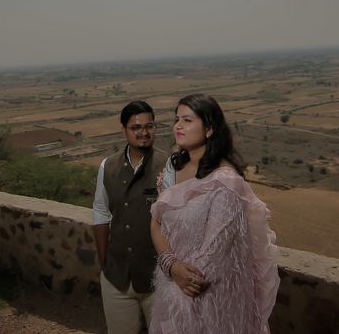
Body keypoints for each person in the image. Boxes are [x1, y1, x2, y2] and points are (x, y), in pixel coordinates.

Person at [149, 94, 279, 334]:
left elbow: (214, 252)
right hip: (170, 281)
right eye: (177, 119)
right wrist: (171, 265)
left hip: (208, 296)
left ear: (209, 129)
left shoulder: (226, 181)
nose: (178, 125)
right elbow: (156, 222)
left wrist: (181, 279)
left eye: (187, 120)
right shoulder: (173, 167)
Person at [93, 100, 169, 334]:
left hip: (158, 279)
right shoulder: (108, 166)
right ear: (124, 130)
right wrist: (105, 262)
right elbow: (101, 212)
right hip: (117, 278)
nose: (143, 132)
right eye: (136, 127)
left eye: (149, 126)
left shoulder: (169, 167)